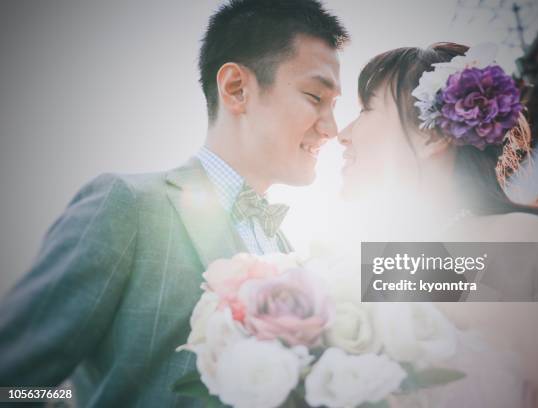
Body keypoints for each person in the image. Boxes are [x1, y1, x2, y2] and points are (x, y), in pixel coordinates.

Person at [0, 0, 348, 406]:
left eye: (333, 107)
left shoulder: (290, 251)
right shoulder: (128, 207)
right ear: (237, 88)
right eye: (314, 97)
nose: (331, 128)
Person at [338, 43, 538, 407]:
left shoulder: (526, 244)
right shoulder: (383, 265)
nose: (343, 132)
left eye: (366, 109)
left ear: (432, 136)